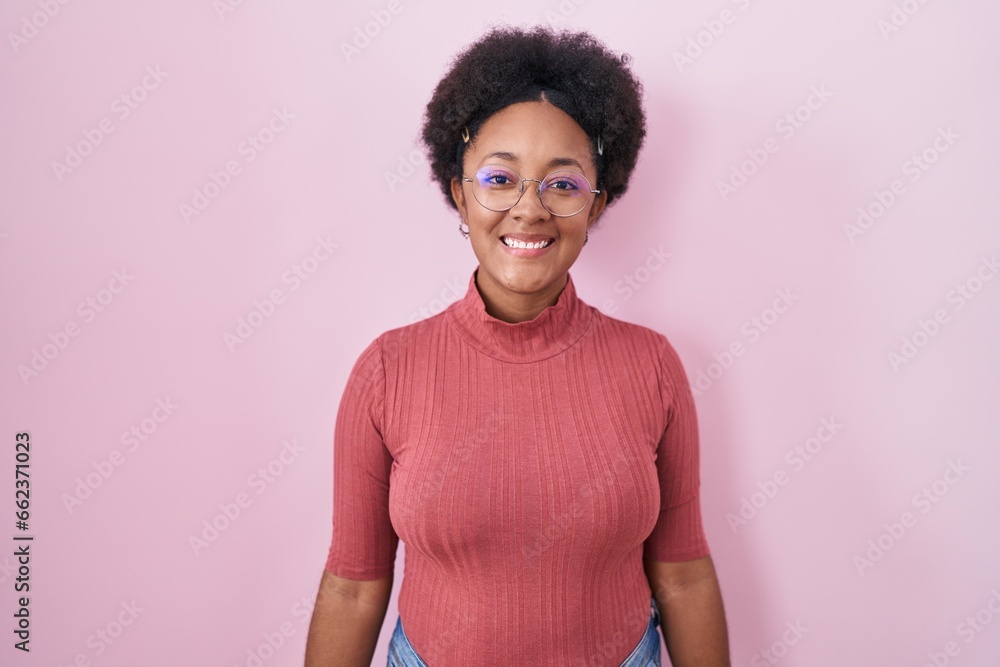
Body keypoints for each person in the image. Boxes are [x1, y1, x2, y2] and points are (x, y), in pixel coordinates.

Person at [304, 25, 730, 667]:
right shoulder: (387, 371)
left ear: (596, 204)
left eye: (562, 185)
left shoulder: (652, 368)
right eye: (500, 179)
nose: (529, 210)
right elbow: (354, 584)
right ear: (459, 195)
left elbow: (684, 572)